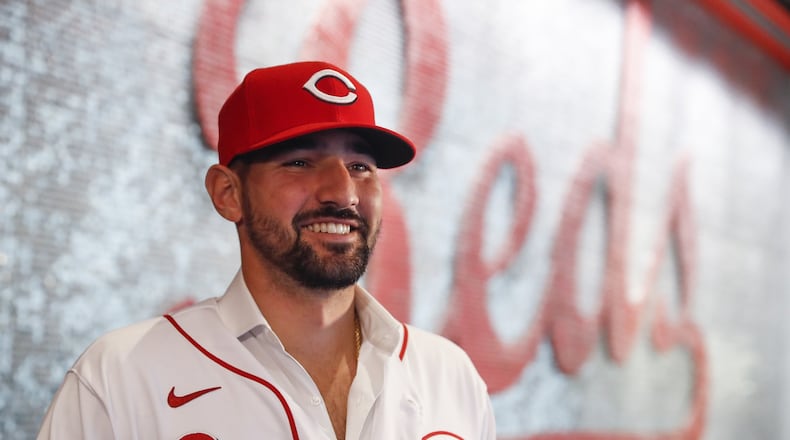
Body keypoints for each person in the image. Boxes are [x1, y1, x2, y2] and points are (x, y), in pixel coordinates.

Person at [37, 60, 496, 439]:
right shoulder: (119, 376)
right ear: (228, 193)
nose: (343, 192)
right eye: (299, 162)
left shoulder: (449, 375)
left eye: (361, 166)